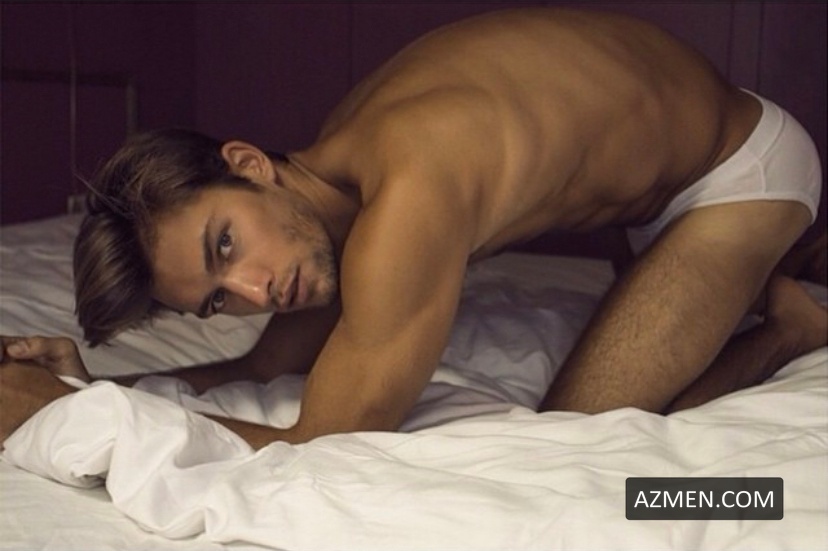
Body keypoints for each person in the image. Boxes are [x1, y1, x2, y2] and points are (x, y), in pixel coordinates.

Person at [2, 7, 826, 449]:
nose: (256, 289)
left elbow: (327, 438)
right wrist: (86, 388)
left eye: (225, 244)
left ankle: (790, 326)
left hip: (736, 171)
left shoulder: (409, 184)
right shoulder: (326, 193)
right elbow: (263, 366)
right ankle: (773, 275)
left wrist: (63, 419)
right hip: (644, 197)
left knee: (574, 437)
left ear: (247, 163)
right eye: (218, 299)